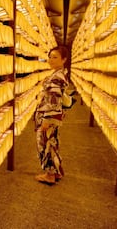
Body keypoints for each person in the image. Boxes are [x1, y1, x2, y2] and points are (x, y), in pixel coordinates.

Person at [34, 46, 70, 185]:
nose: (51, 60)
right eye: (50, 56)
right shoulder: (60, 74)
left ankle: (49, 175)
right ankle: (56, 172)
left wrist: (47, 119)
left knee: (46, 143)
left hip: (49, 117)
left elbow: (54, 99)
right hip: (53, 116)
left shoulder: (56, 77)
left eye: (55, 57)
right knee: (53, 142)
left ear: (64, 59)